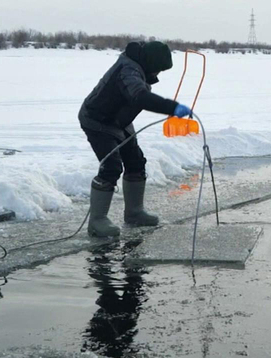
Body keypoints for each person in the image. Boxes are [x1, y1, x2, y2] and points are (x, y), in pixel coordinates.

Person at [78, 41, 192, 237]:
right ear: (150, 63)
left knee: (136, 162)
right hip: (97, 119)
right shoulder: (128, 70)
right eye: (158, 70)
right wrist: (172, 108)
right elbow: (140, 96)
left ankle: (134, 213)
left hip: (119, 120)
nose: (157, 75)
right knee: (111, 167)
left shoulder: (139, 68)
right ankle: (97, 221)